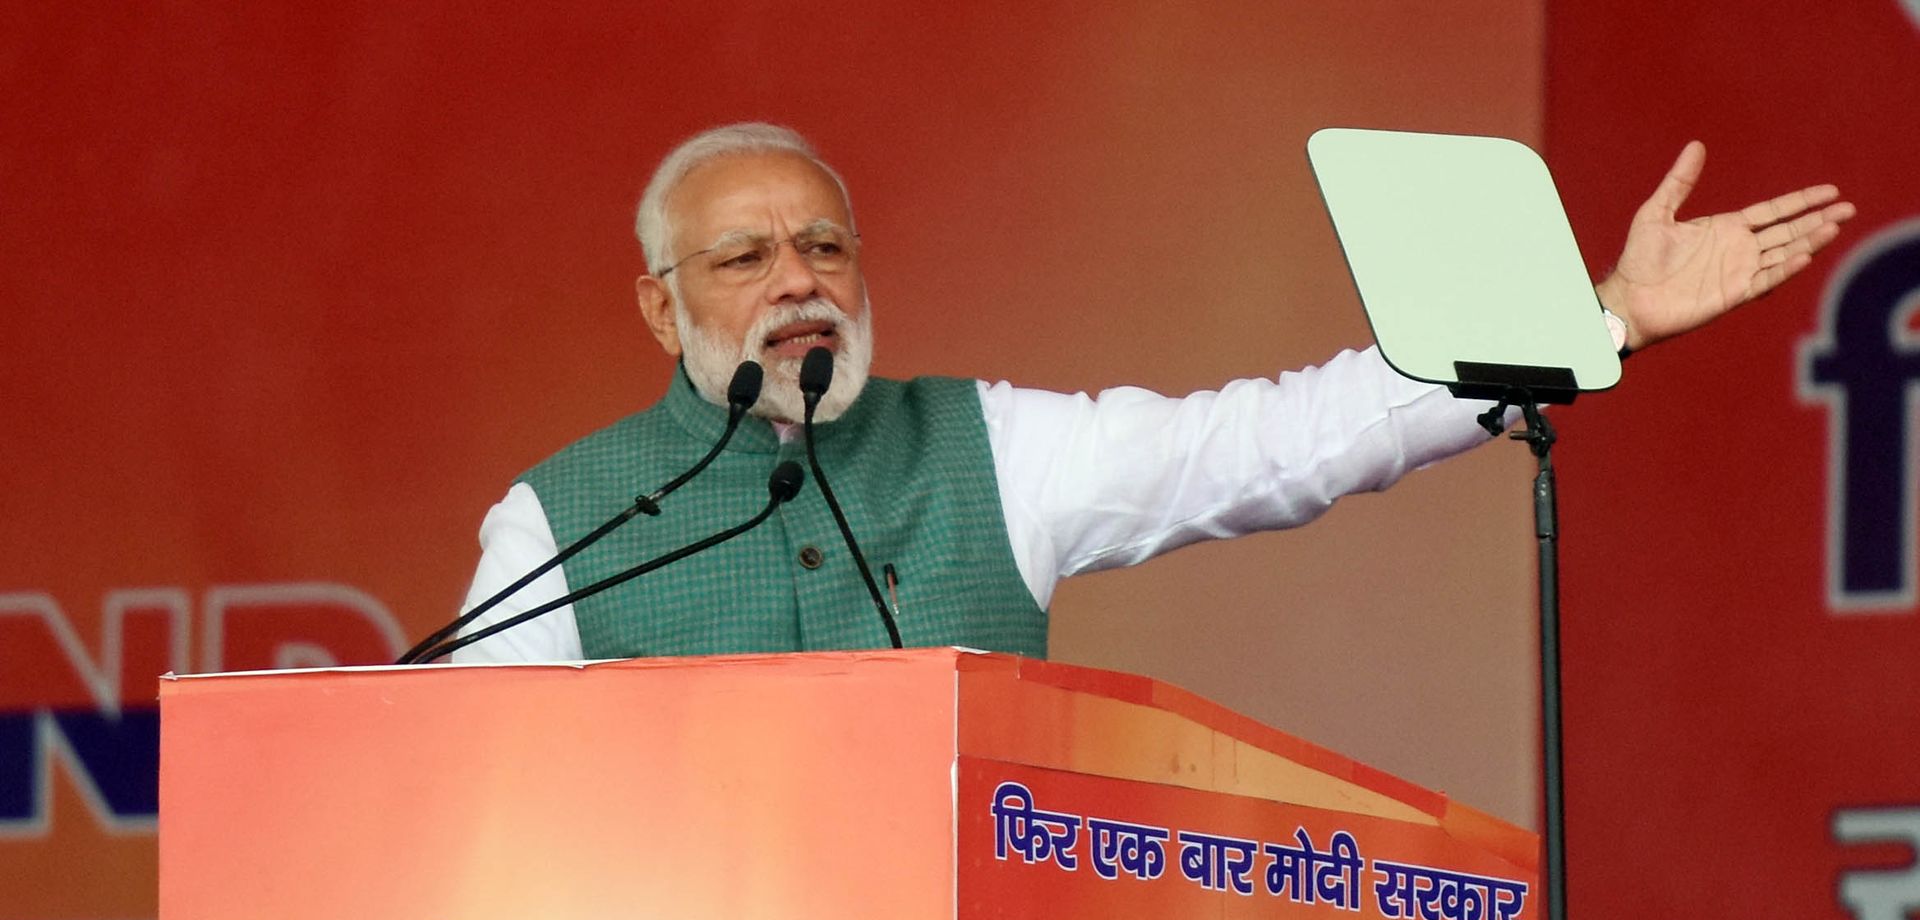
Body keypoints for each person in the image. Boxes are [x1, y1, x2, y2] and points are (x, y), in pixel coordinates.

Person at [453, 123, 1853, 663]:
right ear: (662, 301)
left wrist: (1592, 319)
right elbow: (477, 812)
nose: (798, 281)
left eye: (824, 244)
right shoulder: (553, 520)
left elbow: (1278, 441)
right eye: (745, 256)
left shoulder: (990, 446)